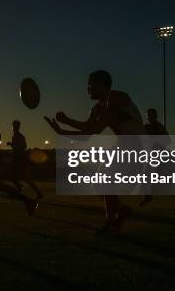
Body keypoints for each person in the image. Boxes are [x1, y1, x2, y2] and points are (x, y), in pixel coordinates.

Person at [44, 70, 143, 233]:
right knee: (99, 184)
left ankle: (111, 222)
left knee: (105, 181)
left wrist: (67, 122)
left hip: (137, 146)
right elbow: (87, 135)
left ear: (104, 85)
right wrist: (62, 131)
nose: (88, 88)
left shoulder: (118, 99)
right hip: (125, 145)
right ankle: (121, 211)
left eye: (91, 84)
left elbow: (94, 128)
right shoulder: (98, 108)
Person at [140, 109, 175, 208]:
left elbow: (168, 140)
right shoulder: (146, 127)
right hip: (152, 154)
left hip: (160, 154)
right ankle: (147, 195)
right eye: (148, 115)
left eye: (151, 115)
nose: (149, 117)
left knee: (172, 177)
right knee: (145, 175)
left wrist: (157, 143)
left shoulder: (159, 127)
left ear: (155, 116)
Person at [7, 120, 44, 199]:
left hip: (20, 158)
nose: (13, 127)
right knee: (12, 175)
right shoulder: (16, 135)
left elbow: (23, 147)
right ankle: (19, 188)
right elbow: (21, 147)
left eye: (15, 126)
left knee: (24, 177)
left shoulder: (19, 136)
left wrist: (12, 145)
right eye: (13, 126)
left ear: (18, 127)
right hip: (18, 158)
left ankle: (36, 192)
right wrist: (12, 149)